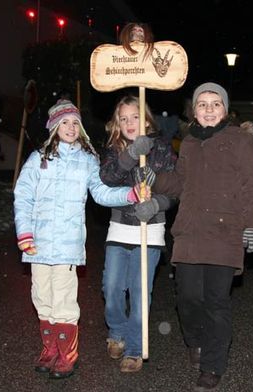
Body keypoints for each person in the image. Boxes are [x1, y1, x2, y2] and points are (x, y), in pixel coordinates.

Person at [135, 82, 253, 391]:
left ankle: (212, 366)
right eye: (202, 104)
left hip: (225, 231)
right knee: (188, 298)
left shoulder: (240, 141)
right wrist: (155, 179)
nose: (209, 109)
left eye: (215, 103)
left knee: (216, 301)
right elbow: (182, 184)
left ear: (225, 109)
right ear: (194, 111)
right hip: (191, 232)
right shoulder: (190, 142)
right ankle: (194, 340)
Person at [13, 99, 141, 380]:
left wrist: (128, 194)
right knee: (41, 298)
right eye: (65, 123)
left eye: (75, 123)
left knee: (64, 301)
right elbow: (23, 196)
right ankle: (49, 349)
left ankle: (67, 355)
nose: (71, 127)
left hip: (68, 245)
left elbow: (101, 192)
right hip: (38, 243)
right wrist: (24, 232)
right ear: (54, 127)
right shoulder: (39, 159)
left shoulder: (87, 160)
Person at [99, 95, 177, 372]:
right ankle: (117, 331)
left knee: (141, 293)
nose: (130, 123)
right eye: (124, 118)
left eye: (135, 117)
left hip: (150, 230)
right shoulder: (113, 148)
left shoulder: (163, 149)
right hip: (120, 228)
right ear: (116, 124)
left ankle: (133, 348)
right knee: (111, 287)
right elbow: (108, 178)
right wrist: (131, 154)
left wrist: (157, 202)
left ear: (145, 119)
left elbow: (175, 190)